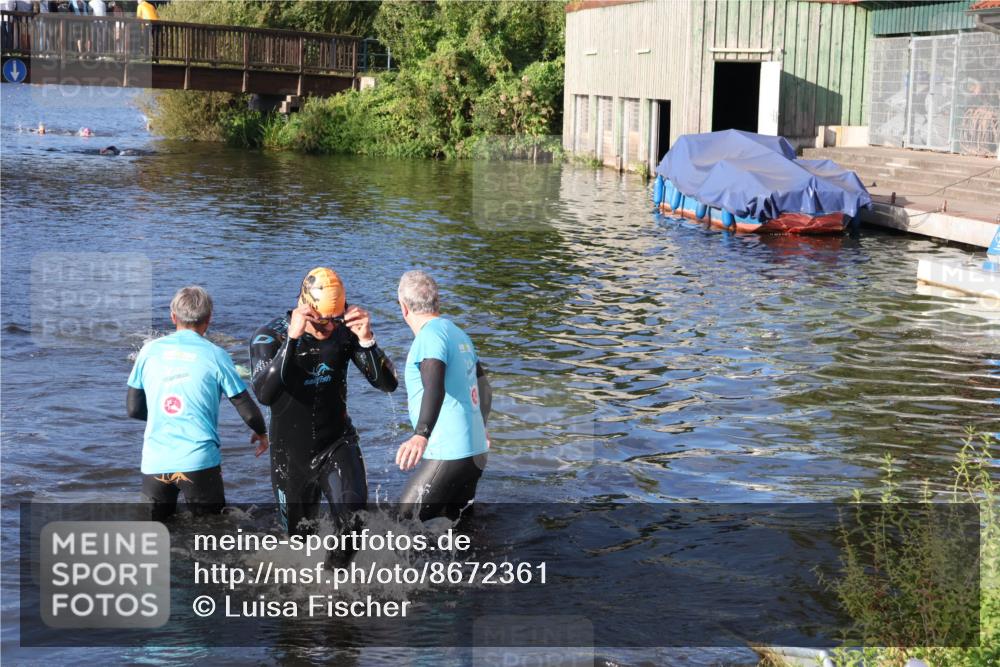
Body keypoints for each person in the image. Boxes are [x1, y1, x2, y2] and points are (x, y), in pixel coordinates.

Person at [250, 267, 398, 539]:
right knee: (299, 541)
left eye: (335, 319)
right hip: (290, 456)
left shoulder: (344, 331)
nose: (329, 328)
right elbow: (264, 394)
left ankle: (334, 580)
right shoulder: (270, 337)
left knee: (354, 525)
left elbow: (388, 384)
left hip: (337, 443)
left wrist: (368, 341)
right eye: (321, 322)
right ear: (305, 308)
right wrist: (292, 341)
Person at [127, 286, 269, 520]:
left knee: (157, 535)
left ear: (173, 317)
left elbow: (133, 409)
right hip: (199, 461)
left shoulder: (148, 351)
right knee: (210, 536)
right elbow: (247, 409)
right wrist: (262, 433)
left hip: (156, 462)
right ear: (209, 318)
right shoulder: (216, 354)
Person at [395, 271, 492, 521]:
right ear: (437, 302)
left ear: (404, 308)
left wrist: (420, 434)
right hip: (475, 452)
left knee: (401, 522)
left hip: (449, 452)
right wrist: (481, 425)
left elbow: (434, 385)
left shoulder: (430, 336)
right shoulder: (458, 333)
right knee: (459, 529)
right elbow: (484, 388)